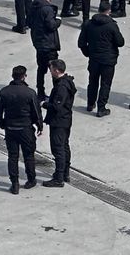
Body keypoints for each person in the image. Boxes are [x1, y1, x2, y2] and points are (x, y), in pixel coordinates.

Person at [0, 64, 43, 193]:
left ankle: (14, 183)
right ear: (23, 77)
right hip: (26, 129)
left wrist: (2, 125)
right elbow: (36, 112)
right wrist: (39, 125)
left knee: (13, 156)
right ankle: (31, 180)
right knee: (29, 156)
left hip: (10, 129)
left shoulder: (4, 92)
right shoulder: (30, 93)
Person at [78, 4, 125, 116]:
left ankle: (90, 104)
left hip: (94, 59)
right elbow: (120, 42)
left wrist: (88, 53)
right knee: (105, 84)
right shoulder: (112, 26)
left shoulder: (88, 24)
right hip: (108, 60)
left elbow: (81, 43)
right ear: (108, 11)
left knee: (92, 82)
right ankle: (101, 108)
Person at [43, 59, 77, 187]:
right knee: (64, 146)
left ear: (56, 70)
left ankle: (59, 177)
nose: (50, 71)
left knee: (58, 149)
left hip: (59, 121)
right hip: (65, 119)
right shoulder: (67, 82)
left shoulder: (62, 86)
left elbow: (57, 106)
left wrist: (44, 104)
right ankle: (64, 173)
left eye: (51, 69)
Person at [30, 0, 61, 100]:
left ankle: (41, 93)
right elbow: (51, 26)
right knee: (55, 69)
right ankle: (57, 94)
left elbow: (29, 22)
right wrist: (58, 21)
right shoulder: (47, 9)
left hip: (38, 43)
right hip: (48, 44)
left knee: (41, 69)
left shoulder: (35, 5)